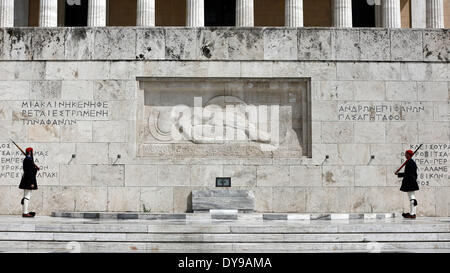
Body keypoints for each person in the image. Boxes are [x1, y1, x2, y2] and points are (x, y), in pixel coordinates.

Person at [395, 150, 419, 219]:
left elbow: (408, 174)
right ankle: (413, 213)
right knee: (412, 198)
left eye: (406, 154)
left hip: (410, 182)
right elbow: (414, 174)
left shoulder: (410, 162)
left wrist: (398, 174)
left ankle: (412, 214)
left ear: (409, 154)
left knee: (412, 199)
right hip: (411, 182)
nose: (405, 155)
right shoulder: (411, 162)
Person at [18, 147, 39, 218]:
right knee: (27, 197)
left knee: (25, 196)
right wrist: (32, 182)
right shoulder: (28, 160)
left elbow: (29, 170)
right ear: (30, 152)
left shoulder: (27, 159)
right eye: (31, 152)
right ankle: (25, 213)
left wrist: (35, 168)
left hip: (26, 180)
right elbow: (30, 172)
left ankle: (25, 211)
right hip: (28, 181)